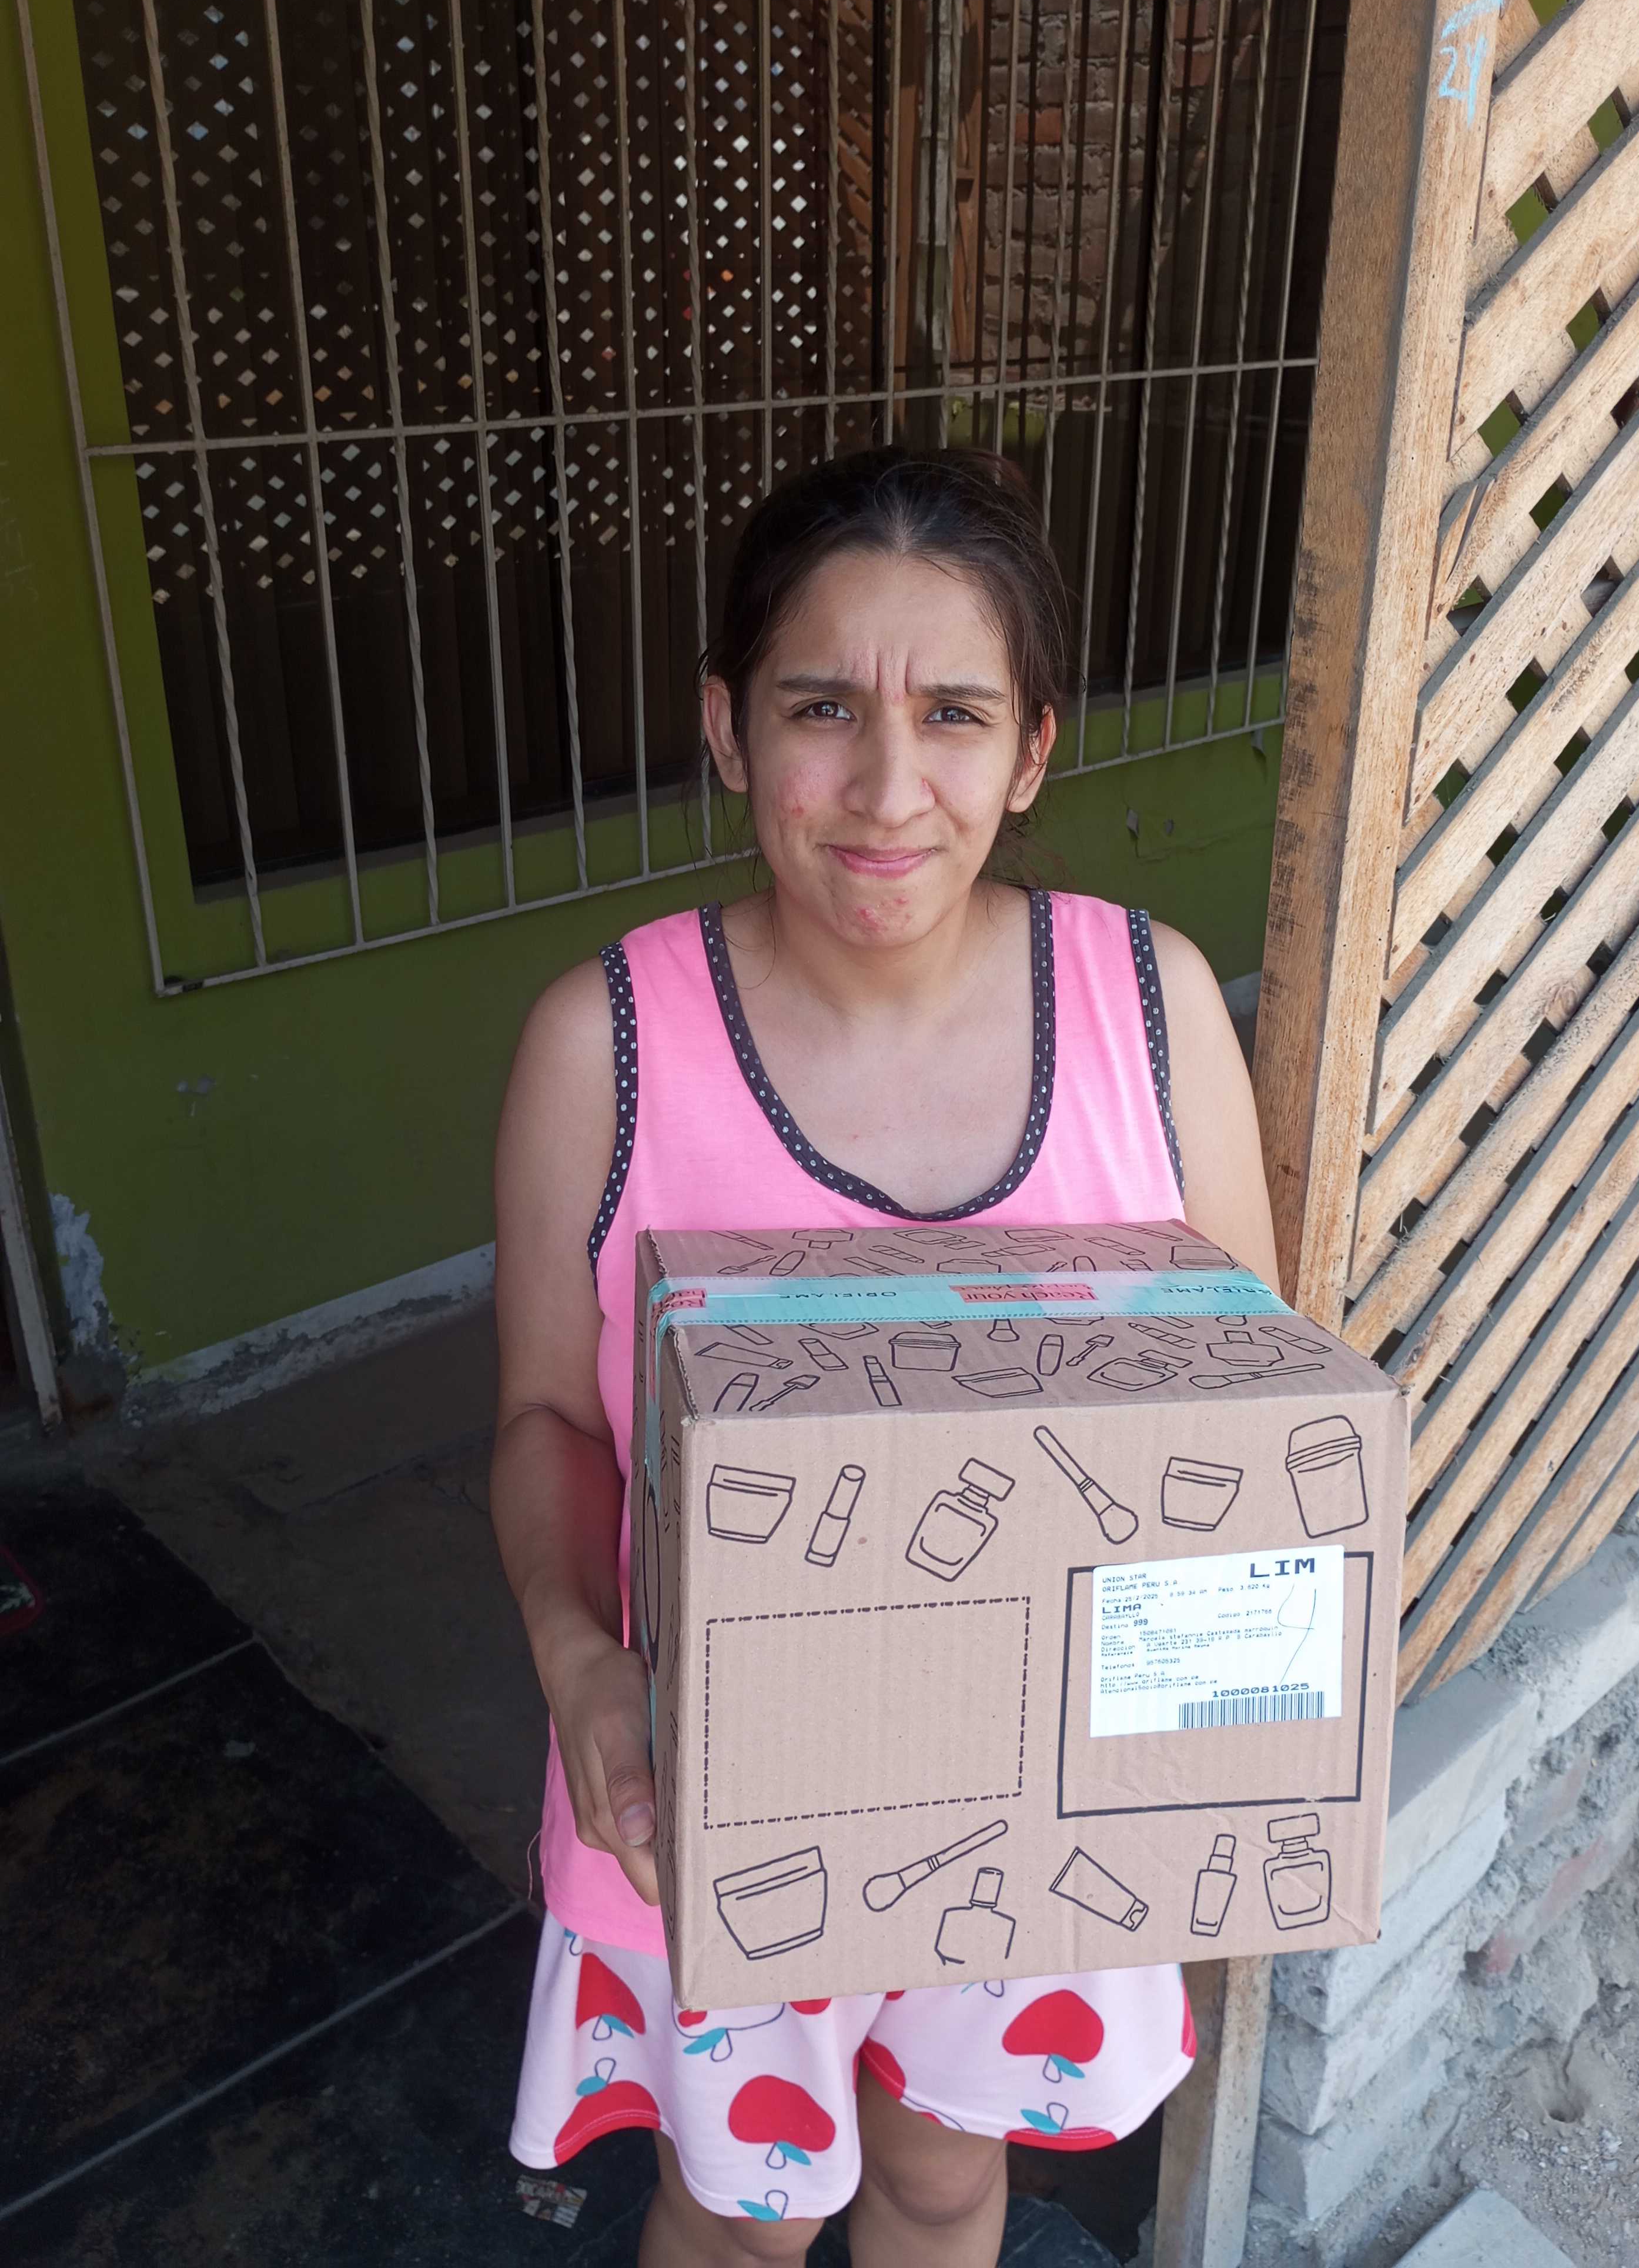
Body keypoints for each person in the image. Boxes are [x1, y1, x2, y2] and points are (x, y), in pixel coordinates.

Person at [490, 446, 1280, 2264]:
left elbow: (1238, 1435)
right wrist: (579, 1662)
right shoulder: (605, 1048)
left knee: (938, 2178)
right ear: (728, 727)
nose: (886, 789)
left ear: (1033, 752)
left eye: (954, 715)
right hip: (700, 1788)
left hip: (1038, 1802)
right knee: (743, 2214)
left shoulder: (1150, 1012)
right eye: (823, 708)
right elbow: (543, 1416)